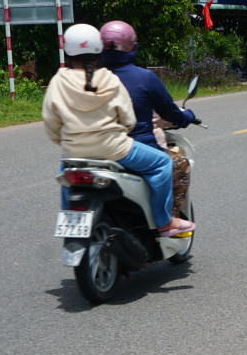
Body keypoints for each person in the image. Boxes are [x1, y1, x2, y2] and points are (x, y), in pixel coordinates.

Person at [42, 24, 193, 237]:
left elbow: (51, 123)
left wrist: (66, 141)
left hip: (74, 152)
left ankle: (70, 223)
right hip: (115, 150)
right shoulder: (110, 79)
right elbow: (128, 120)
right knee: (162, 163)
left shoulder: (58, 80)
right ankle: (163, 221)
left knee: (65, 176)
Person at [99, 20, 197, 218]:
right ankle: (167, 220)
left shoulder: (89, 78)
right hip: (131, 149)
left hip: (92, 151)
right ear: (133, 47)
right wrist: (187, 117)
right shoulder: (144, 78)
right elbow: (170, 113)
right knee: (177, 164)